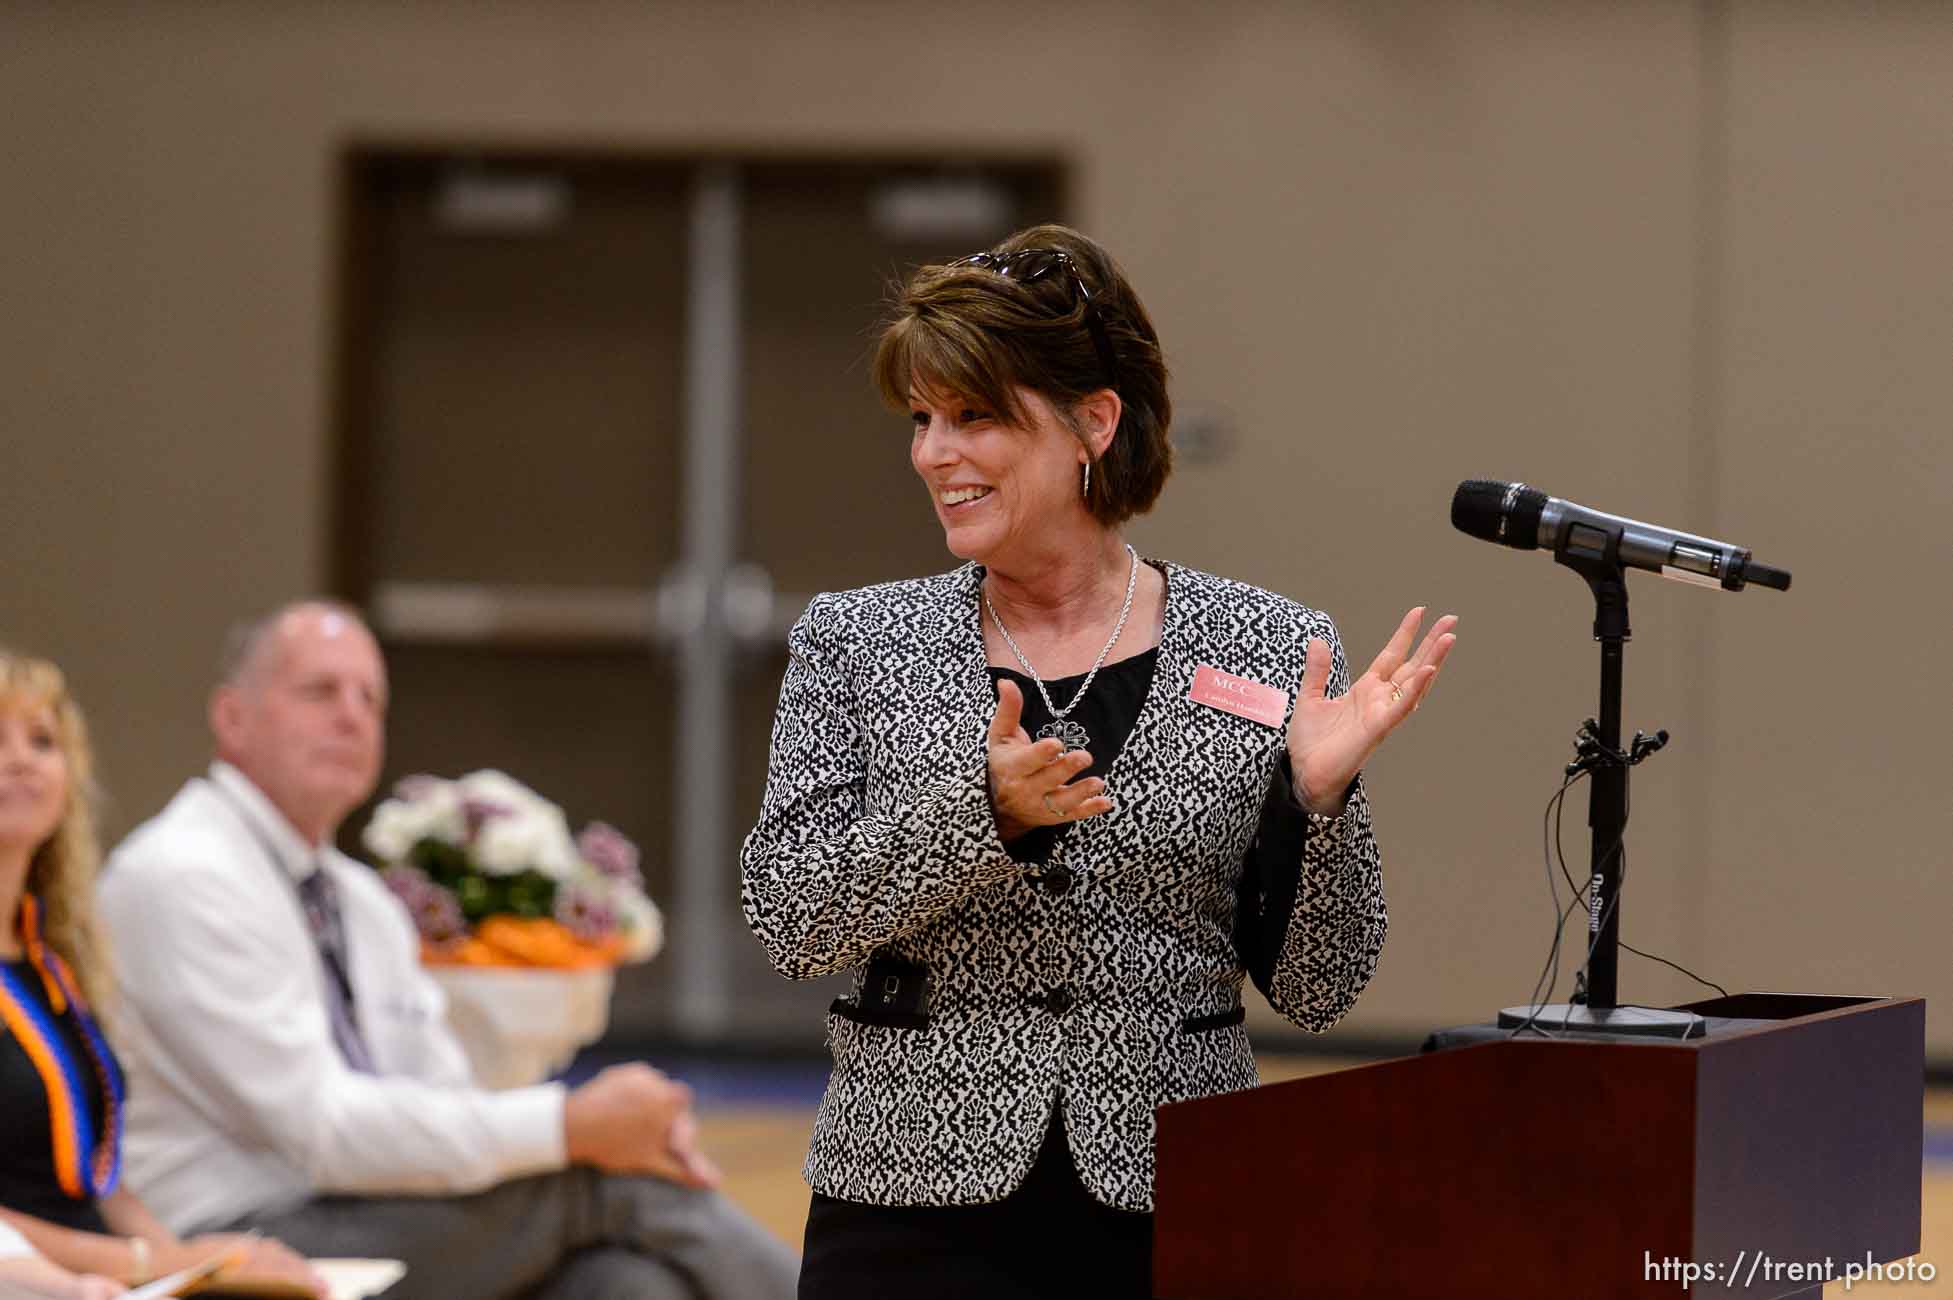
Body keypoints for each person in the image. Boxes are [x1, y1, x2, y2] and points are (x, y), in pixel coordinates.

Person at [741, 224, 1458, 1298]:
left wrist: (1320, 800)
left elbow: (1321, 986)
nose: (934, 452)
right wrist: (978, 814)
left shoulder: (1266, 646)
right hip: (906, 1204)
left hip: (1181, 1201)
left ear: (1094, 422)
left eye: (975, 416)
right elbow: (787, 914)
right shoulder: (857, 640)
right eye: (924, 419)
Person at [98, 603, 798, 1300]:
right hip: (227, 1237)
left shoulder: (357, 899)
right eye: (319, 691)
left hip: (367, 1212)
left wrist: (588, 1127)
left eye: (369, 698)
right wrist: (572, 1125)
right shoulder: (181, 873)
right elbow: (323, 1129)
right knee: (612, 1188)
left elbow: (438, 1093)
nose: (351, 715)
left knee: (627, 1284)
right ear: (232, 717)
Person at [0, 650, 320, 1296]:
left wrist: (195, 1266)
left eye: (42, 741)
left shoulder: (51, 961)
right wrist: (148, 1266)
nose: (22, 759)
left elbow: (100, 1175)